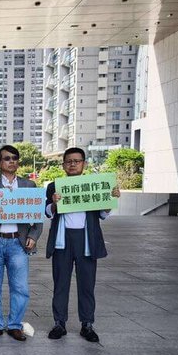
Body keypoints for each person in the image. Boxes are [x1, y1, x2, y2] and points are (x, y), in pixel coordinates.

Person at [45, 147, 121, 343]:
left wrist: (111, 198)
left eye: (77, 161)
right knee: (60, 283)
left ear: (84, 164)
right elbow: (47, 212)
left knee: (87, 284)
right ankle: (59, 323)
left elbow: (103, 214)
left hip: (87, 240)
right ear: (63, 165)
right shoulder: (55, 186)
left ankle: (87, 324)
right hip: (63, 241)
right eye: (69, 161)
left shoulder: (95, 185)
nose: (72, 164)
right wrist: (54, 203)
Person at [0, 145, 43, 342]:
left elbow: (38, 217)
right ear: (0, 163)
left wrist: (34, 235)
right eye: (7, 158)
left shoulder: (28, 186)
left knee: (20, 287)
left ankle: (15, 325)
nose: (12, 161)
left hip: (18, 242)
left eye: (15, 158)